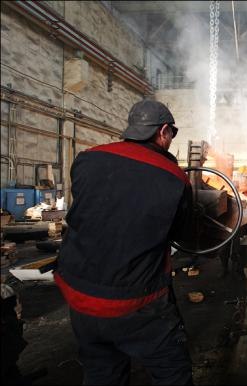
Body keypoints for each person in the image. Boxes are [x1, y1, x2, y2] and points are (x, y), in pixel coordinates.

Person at [54, 99, 194, 385]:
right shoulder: (174, 178)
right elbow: (185, 237)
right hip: (135, 301)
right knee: (171, 372)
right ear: (164, 131)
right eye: (171, 135)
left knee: (102, 372)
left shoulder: (87, 158)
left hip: (79, 293)